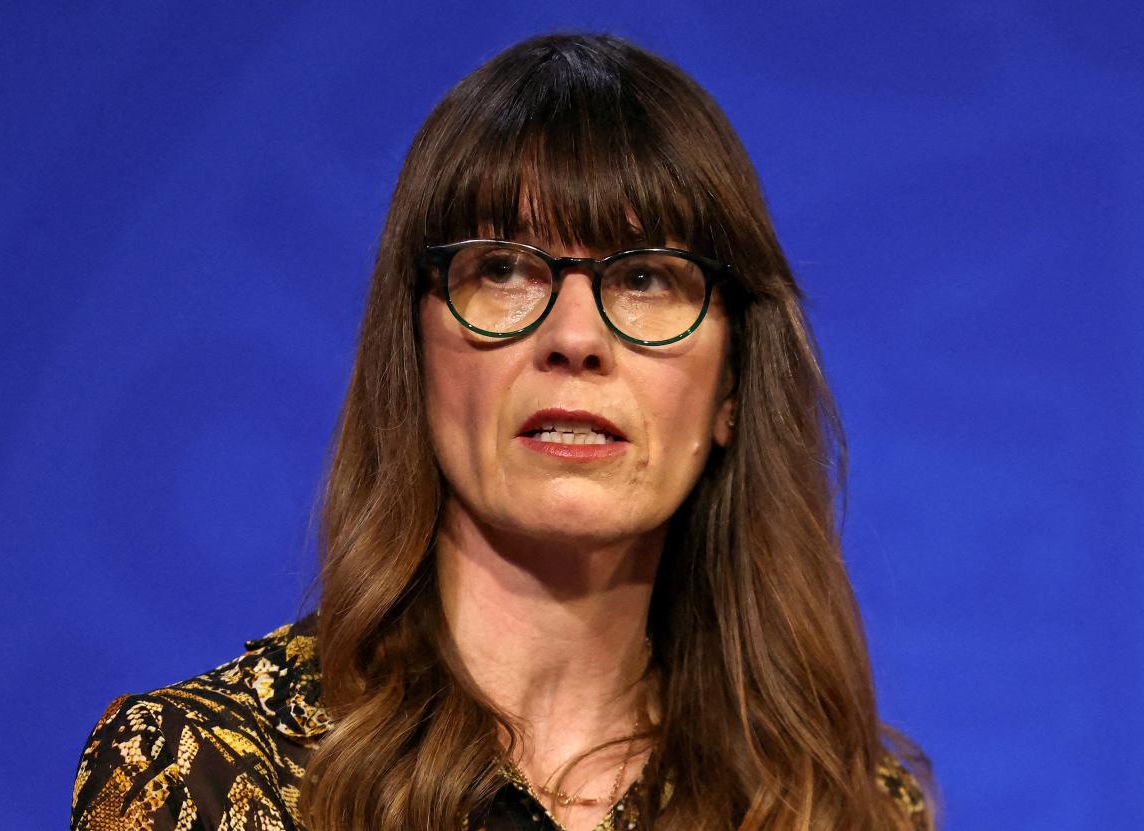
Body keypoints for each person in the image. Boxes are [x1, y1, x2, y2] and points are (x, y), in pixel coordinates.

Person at [71, 32, 935, 831]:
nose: (575, 338)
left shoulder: (850, 808)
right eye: (505, 270)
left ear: (731, 387)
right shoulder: (204, 779)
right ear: (413, 352)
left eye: (644, 278)